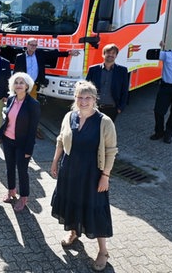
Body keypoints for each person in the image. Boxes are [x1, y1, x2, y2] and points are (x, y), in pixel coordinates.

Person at [50, 80, 117, 272]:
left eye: (88, 97)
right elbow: (61, 141)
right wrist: (55, 161)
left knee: (95, 209)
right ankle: (73, 233)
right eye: (80, 97)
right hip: (69, 169)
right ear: (75, 98)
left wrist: (105, 175)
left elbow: (111, 151)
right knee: (71, 203)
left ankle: (103, 251)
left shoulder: (104, 122)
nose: (84, 101)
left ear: (95, 99)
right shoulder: (69, 116)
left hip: (92, 174)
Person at [15, 37, 79, 138]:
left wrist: (69, 53)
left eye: (35, 45)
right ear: (27, 45)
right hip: (23, 86)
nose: (33, 47)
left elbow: (53, 54)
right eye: (31, 45)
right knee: (20, 108)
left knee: (33, 109)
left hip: (34, 86)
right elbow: (16, 73)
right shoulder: (20, 57)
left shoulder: (39, 54)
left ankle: (34, 130)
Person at [0, 72, 40, 211]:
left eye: (22, 82)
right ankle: (11, 191)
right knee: (9, 167)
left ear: (27, 85)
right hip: (8, 140)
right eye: (16, 82)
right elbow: (8, 120)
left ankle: (24, 198)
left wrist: (29, 150)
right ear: (13, 86)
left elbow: (33, 129)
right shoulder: (10, 99)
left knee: (22, 171)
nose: (19, 85)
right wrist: (1, 134)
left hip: (22, 144)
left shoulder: (33, 104)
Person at [86, 43, 129, 122]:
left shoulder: (122, 71)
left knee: (107, 131)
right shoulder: (93, 69)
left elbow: (124, 90)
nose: (111, 55)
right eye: (108, 52)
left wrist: (121, 107)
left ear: (116, 55)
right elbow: (86, 89)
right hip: (95, 108)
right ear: (104, 54)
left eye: (113, 53)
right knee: (93, 130)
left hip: (112, 109)